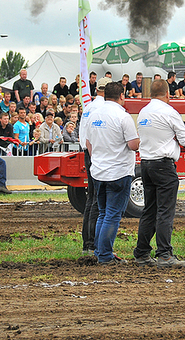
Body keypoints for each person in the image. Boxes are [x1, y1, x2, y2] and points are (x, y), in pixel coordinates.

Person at [133, 79, 185, 268]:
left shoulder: (143, 112)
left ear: (151, 94)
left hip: (146, 163)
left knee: (149, 210)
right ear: (168, 94)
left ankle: (141, 252)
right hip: (164, 165)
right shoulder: (169, 112)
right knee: (165, 211)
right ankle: (164, 254)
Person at [86, 81, 140, 264]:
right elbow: (133, 144)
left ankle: (100, 251)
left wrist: (98, 159)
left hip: (98, 171)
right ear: (122, 96)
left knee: (103, 213)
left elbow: (88, 143)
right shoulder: (123, 117)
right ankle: (105, 255)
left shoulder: (93, 115)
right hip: (118, 171)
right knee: (112, 215)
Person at [79, 77, 111, 255]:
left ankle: (88, 243)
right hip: (97, 153)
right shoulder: (102, 108)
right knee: (98, 200)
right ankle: (93, 242)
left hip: (88, 152)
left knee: (91, 199)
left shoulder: (89, 107)